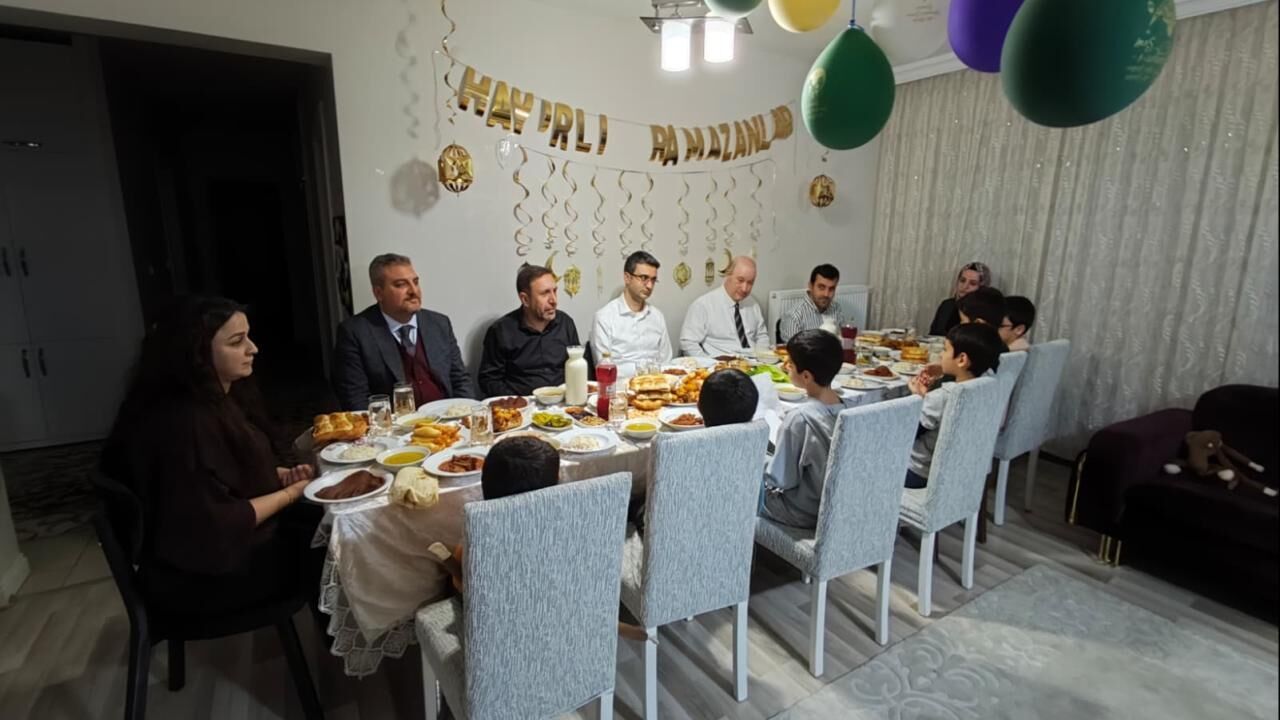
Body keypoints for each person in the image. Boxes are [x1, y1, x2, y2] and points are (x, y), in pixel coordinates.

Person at [101, 297, 322, 618]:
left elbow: (221, 474)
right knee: (329, 543)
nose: (253, 348)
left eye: (248, 337)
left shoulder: (213, 399)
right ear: (197, 352)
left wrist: (277, 476)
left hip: (206, 555)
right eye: (237, 341)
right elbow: (219, 521)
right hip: (203, 580)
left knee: (323, 515)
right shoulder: (185, 422)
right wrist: (290, 493)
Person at [433, 436, 647, 640]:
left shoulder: (480, 536)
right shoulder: (573, 525)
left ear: (484, 483)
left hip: (502, 631)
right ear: (555, 483)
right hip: (566, 615)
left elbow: (461, 582)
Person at [331, 253, 474, 410]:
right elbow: (355, 398)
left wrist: (464, 414)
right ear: (379, 293)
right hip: (394, 423)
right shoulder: (355, 332)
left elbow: (460, 380)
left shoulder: (439, 324)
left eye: (415, 282)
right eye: (401, 285)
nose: (413, 291)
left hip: (447, 420)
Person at [759, 330, 859, 529]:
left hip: (802, 511)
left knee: (743, 484)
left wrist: (759, 460)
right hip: (834, 506)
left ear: (806, 376)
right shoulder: (846, 408)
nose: (786, 366)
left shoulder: (799, 418)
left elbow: (781, 479)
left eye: (790, 363)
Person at [905, 323, 1005, 488]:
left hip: (918, 474)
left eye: (945, 350)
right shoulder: (988, 386)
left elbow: (908, 433)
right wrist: (944, 369)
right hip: (959, 475)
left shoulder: (942, 397)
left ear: (962, 359)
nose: (941, 355)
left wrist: (917, 398)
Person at [478, 264, 580, 396]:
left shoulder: (565, 323)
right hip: (523, 403)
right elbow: (489, 380)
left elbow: (578, 364)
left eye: (554, 291)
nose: (553, 300)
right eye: (545, 293)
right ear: (525, 299)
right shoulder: (501, 331)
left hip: (564, 401)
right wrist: (518, 401)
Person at [591, 251, 673, 374]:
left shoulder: (657, 316)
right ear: (627, 278)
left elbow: (666, 362)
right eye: (644, 278)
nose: (650, 286)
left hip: (656, 382)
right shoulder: (605, 317)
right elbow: (604, 369)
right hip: (621, 384)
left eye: (653, 280)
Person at [680, 255, 770, 357]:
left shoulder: (753, 304)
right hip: (721, 362)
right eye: (740, 280)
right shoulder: (703, 305)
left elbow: (762, 336)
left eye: (750, 283)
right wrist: (707, 363)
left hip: (754, 361)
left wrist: (763, 357)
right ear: (728, 275)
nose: (745, 288)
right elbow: (688, 342)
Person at [779, 264, 846, 342]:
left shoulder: (836, 308)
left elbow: (844, 341)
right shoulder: (794, 317)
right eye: (821, 287)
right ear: (810, 286)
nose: (826, 294)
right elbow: (793, 349)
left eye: (831, 289)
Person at [929, 262, 991, 336]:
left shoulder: (986, 312)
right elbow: (932, 335)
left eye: (972, 283)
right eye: (962, 280)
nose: (965, 286)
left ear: (982, 288)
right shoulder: (947, 305)